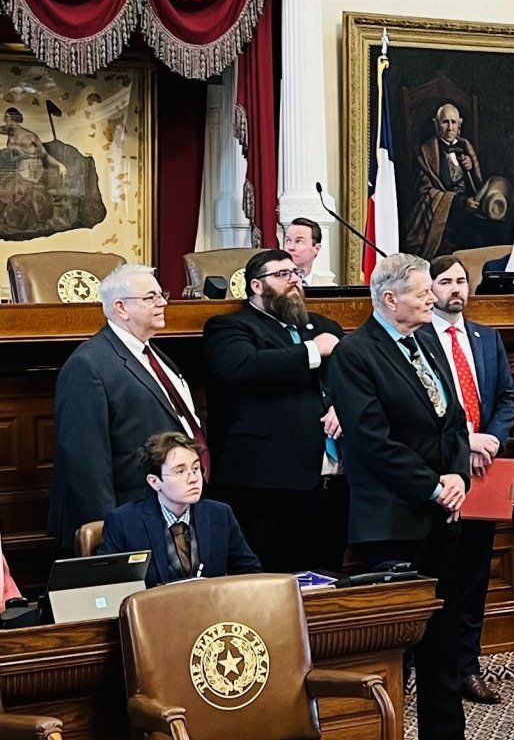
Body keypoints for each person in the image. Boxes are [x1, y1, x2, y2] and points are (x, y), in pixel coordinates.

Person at [328, 253, 492, 740]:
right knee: (393, 652)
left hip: (443, 511)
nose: (433, 298)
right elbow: (372, 443)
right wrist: (430, 485)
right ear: (390, 298)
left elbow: (455, 421)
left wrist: (457, 477)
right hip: (392, 520)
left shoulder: (428, 341)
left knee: (443, 643)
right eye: (423, 292)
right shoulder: (355, 354)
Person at [202, 249, 347, 574]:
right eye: (283, 275)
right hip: (266, 485)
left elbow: (350, 374)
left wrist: (344, 404)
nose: (295, 280)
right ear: (256, 285)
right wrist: (313, 350)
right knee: (269, 583)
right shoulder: (231, 328)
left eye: (296, 273)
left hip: (329, 484)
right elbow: (243, 368)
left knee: (327, 582)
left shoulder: (324, 325)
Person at [48, 264, 206, 551]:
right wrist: (106, 529)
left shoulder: (155, 354)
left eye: (161, 294)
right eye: (150, 297)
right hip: (126, 517)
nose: (163, 303)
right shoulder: (88, 365)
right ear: (121, 308)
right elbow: (85, 459)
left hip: (164, 510)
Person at [421, 254, 514, 705]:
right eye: (446, 282)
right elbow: (422, 413)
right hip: (441, 473)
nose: (456, 289)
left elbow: (506, 397)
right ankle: (428, 669)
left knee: (476, 575)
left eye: (462, 281)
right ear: (430, 288)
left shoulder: (486, 337)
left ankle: (467, 666)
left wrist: (493, 440)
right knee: (439, 576)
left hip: (485, 470)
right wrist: (467, 441)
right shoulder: (417, 340)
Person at [99, 432, 261, 588]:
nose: (193, 479)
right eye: (180, 471)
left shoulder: (220, 514)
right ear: (155, 481)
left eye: (196, 468)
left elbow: (250, 572)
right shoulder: (123, 521)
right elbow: (109, 584)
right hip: (154, 612)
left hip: (211, 611)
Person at [403, 103, 511, 259]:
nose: (449, 128)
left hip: (472, 208)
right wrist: (459, 202)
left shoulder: (465, 146)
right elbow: (425, 192)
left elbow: (477, 183)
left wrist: (471, 168)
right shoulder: (426, 154)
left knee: (496, 233)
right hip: (446, 214)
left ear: (459, 124)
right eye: (445, 122)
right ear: (436, 124)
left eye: (453, 122)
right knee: (466, 241)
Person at [283, 217, 326, 286]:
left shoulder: (327, 288)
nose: (291, 247)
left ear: (316, 248)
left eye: (299, 241)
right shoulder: (271, 286)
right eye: (288, 241)